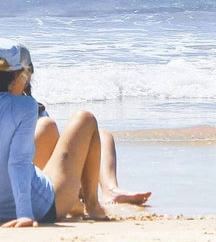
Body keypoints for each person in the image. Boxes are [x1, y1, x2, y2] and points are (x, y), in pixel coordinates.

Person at [0, 38, 109, 226]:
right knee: (85, 118)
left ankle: (76, 204)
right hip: (43, 208)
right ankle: (93, 205)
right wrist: (25, 215)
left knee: (43, 146)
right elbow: (18, 163)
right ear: (17, 75)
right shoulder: (25, 106)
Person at [15, 44, 152, 206]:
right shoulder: (4, 109)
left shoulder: (36, 108)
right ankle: (84, 194)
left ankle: (111, 189)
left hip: (49, 172)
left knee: (102, 135)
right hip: (29, 178)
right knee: (48, 128)